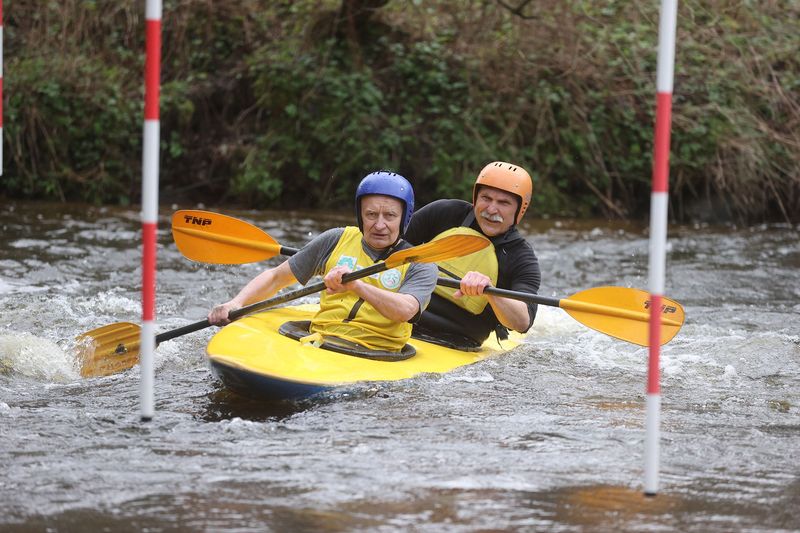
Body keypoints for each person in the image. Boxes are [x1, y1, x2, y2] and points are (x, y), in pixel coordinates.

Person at [208, 171, 438, 353]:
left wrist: (356, 285)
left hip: (378, 351)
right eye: (371, 215)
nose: (379, 224)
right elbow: (277, 277)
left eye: (389, 216)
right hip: (319, 341)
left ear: (404, 218)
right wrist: (236, 303)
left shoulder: (420, 262)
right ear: (360, 215)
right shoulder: (335, 239)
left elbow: (405, 310)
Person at [404, 161, 541, 348]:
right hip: (402, 318)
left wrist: (491, 292)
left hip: (458, 340)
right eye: (486, 198)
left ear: (519, 210)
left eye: (503, 203)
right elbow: (391, 245)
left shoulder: (522, 258)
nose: (491, 210)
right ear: (476, 197)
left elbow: (522, 322)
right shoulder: (444, 212)